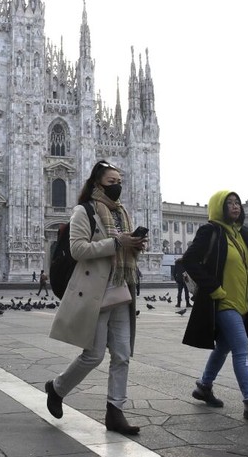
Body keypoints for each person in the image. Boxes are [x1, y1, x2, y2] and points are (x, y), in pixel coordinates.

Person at [46, 160, 147, 435]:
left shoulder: (121, 213)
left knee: (123, 355)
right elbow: (78, 249)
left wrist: (133, 246)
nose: (118, 187)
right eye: (112, 182)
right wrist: (117, 243)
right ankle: (56, 388)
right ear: (97, 183)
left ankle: (115, 412)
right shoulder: (84, 211)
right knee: (93, 355)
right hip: (96, 291)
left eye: (119, 182)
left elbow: (122, 249)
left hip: (121, 289)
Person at [180, 191, 248, 424]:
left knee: (224, 346)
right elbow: (189, 260)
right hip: (224, 301)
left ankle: (204, 386)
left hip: (244, 302)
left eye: (237, 203)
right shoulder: (210, 231)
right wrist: (214, 289)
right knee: (241, 348)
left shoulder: (243, 234)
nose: (235, 207)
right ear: (218, 208)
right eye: (229, 203)